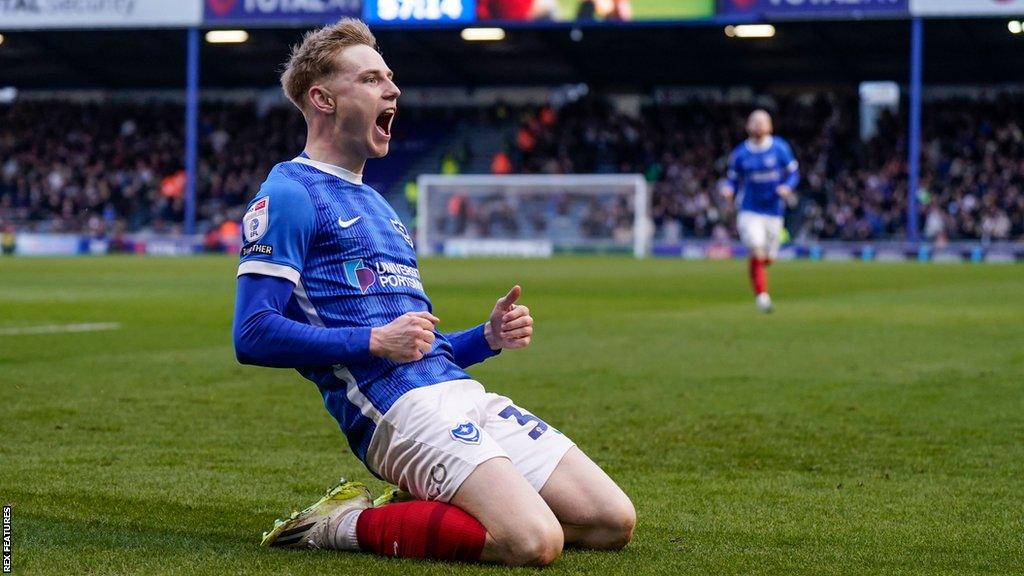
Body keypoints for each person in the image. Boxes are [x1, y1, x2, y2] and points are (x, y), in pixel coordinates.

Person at [231, 18, 634, 567]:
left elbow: (417, 344)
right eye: (372, 79)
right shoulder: (290, 194)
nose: (393, 89)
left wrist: (486, 339)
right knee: (533, 542)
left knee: (612, 522)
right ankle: (340, 524)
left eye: (390, 77)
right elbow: (251, 334)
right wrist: (373, 339)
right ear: (323, 99)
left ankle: (431, 501)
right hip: (392, 411)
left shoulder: (381, 206)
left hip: (457, 391)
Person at [721, 109, 800, 313]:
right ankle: (762, 297)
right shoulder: (740, 153)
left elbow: (794, 174)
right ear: (748, 126)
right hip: (749, 210)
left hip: (774, 211)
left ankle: (762, 268)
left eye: (762, 122)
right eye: (754, 122)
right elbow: (733, 178)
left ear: (770, 126)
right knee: (756, 249)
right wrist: (729, 189)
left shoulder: (780, 148)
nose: (758, 125)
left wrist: (787, 187)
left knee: (768, 258)